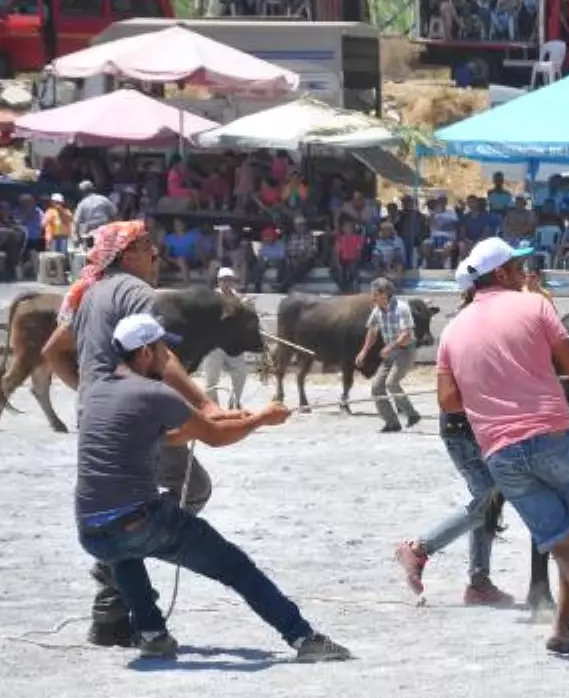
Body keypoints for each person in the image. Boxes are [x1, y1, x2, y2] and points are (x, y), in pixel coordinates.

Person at [76, 313, 351, 661]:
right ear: (145, 353)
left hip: (91, 531)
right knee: (234, 567)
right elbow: (215, 437)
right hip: (140, 523)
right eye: (163, 349)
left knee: (124, 554)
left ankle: (153, 635)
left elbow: (173, 433)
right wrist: (263, 420)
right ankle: (304, 638)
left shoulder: (97, 390)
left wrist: (240, 418)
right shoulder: (155, 393)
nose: (169, 357)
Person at [437, 237, 569, 657]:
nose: (523, 271)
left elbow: (448, 401)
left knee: (561, 542)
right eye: (517, 265)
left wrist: (489, 394)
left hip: (502, 453)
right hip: (555, 437)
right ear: (501, 273)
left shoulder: (452, 329)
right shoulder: (534, 305)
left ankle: (565, 630)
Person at [42, 220, 237, 647]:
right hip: (135, 421)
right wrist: (205, 406)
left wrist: (91, 395)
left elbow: (52, 352)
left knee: (125, 510)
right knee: (191, 491)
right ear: (126, 255)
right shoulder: (136, 292)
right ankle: (114, 568)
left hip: (97, 423)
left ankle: (110, 614)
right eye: (148, 247)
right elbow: (161, 359)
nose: (156, 255)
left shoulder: (88, 292)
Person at [393, 262, 516, 606]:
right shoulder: (469, 327)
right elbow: (453, 394)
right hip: (465, 429)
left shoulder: (477, 321)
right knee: (490, 498)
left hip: (478, 427)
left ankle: (479, 581)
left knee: (488, 499)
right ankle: (419, 549)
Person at [356, 277, 421, 433]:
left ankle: (412, 414)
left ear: (384, 294)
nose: (372, 297)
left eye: (374, 294)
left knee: (391, 383)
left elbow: (406, 334)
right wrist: (364, 351)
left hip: (405, 351)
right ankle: (392, 423)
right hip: (390, 353)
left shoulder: (402, 308)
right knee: (376, 387)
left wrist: (390, 347)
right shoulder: (377, 310)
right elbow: (372, 331)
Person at [202, 268, 249, 408]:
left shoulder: (240, 298)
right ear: (219, 281)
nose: (227, 282)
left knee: (241, 373)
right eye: (224, 279)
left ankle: (235, 402)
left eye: (230, 279)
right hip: (214, 345)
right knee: (211, 380)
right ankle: (214, 407)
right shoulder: (211, 298)